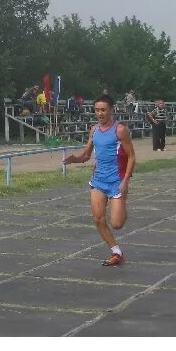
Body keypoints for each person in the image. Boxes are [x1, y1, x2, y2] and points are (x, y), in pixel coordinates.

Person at [63, 93, 136, 266]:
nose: (100, 113)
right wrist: (75, 159)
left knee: (117, 224)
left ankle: (122, 207)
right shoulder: (94, 130)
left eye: (103, 110)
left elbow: (132, 157)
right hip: (98, 181)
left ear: (111, 110)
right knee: (98, 219)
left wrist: (126, 181)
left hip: (117, 181)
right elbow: (87, 155)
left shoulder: (120, 130)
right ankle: (116, 252)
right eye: (97, 110)